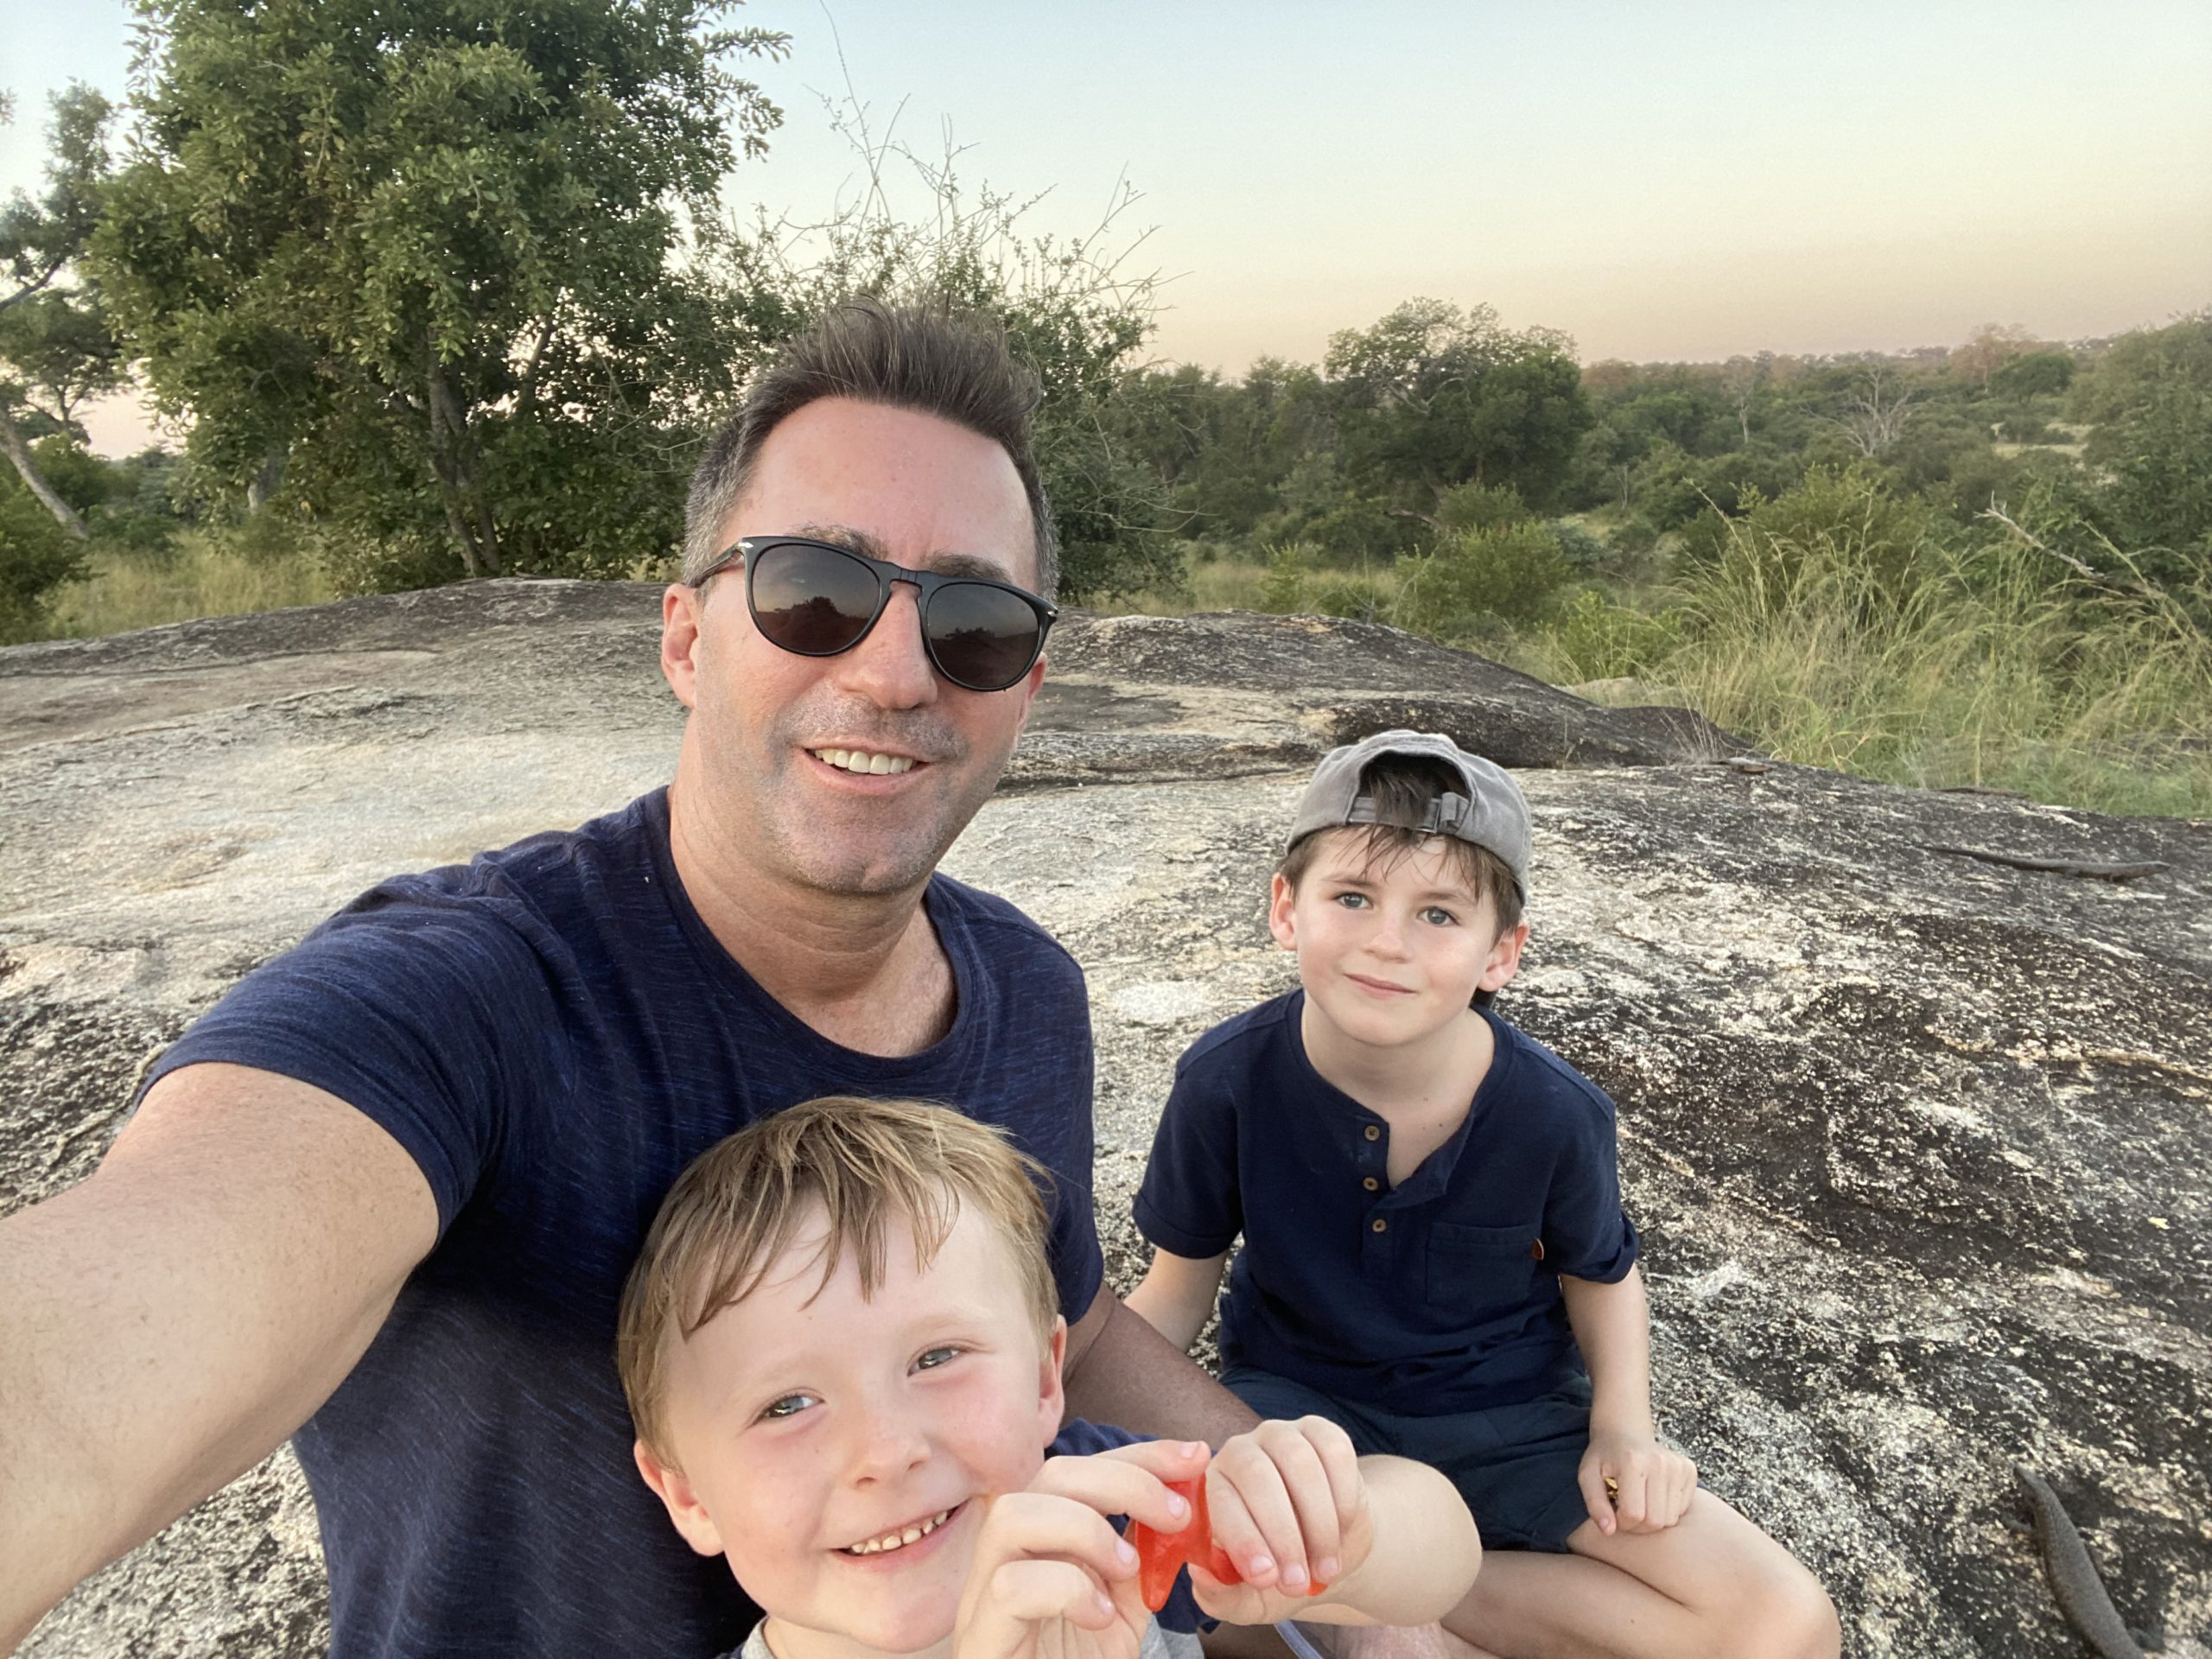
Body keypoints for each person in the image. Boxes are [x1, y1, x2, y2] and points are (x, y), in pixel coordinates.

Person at [0, 302, 1243, 1657]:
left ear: (1028, 685)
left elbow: (1066, 1318)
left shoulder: (1023, 990)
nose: (895, 673)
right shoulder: (470, 999)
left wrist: (1354, 1570)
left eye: (977, 623)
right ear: (686, 639)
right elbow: (70, 1390)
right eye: (814, 592)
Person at [1125, 731, 1842, 1659]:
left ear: (1501, 952)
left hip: (1507, 1419)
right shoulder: (1226, 1082)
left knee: (1786, 1626)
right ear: (1285, 909)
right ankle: (1381, 1617)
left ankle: (1396, 1611)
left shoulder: (1552, 1111)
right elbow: (1177, 1289)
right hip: (1304, 1422)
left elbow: (1601, 1272)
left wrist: (1624, 1429)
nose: (1387, 941)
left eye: (1438, 915)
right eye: (1352, 897)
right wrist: (1072, 1422)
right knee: (1162, 1573)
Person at [614, 1095, 1483, 1659]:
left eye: (936, 1358)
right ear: (686, 1492)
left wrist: (1347, 1528)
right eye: (787, 1404)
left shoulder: (1101, 1514)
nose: (883, 1451)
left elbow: (1441, 1557)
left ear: (1043, 1381)